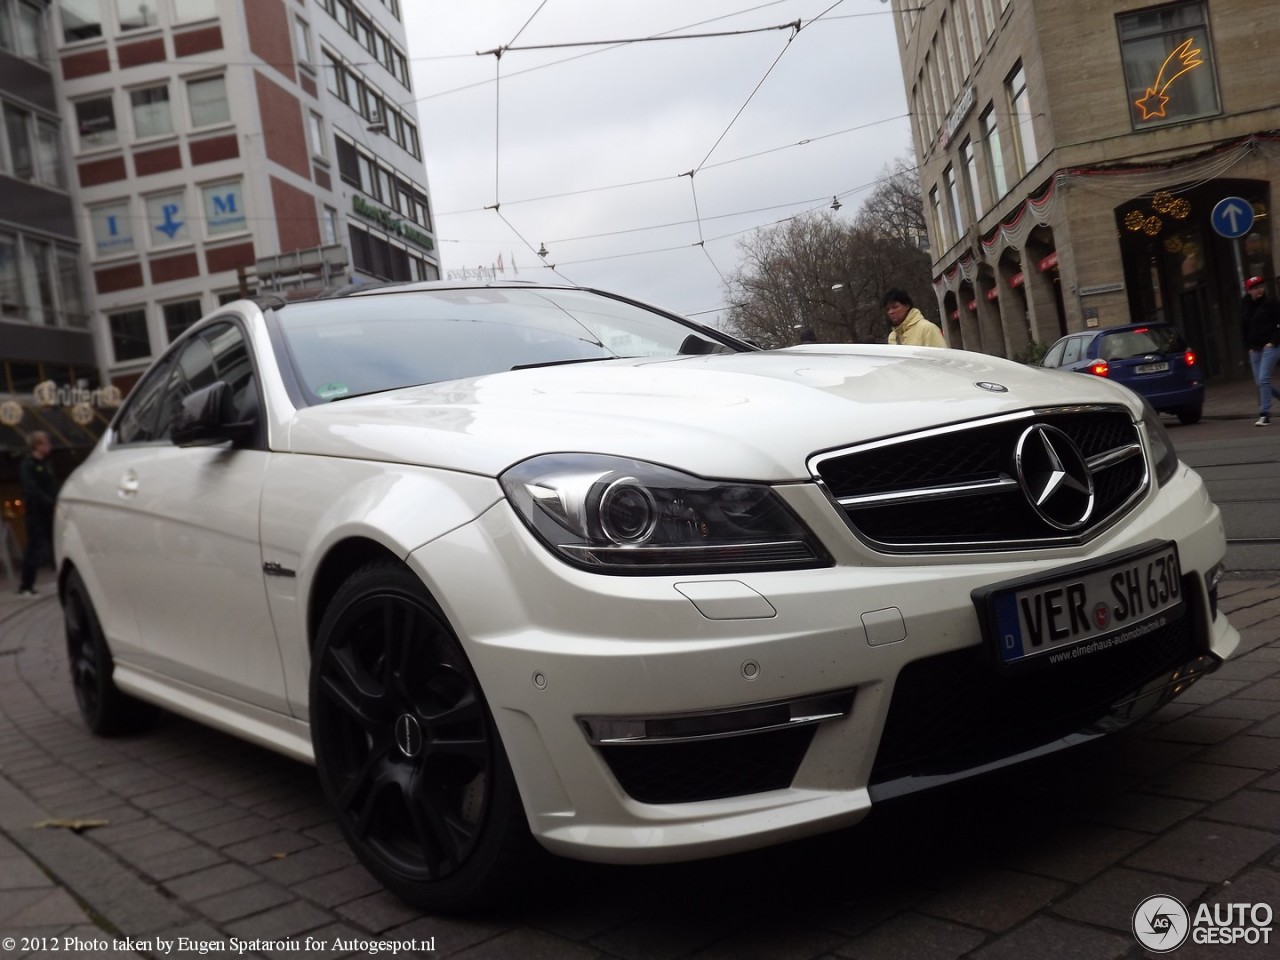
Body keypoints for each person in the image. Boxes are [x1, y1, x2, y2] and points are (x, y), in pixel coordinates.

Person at [17, 431, 57, 596]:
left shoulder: (47, 463)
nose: (49, 446)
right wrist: (48, 501)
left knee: (55, 544)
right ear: (37, 446)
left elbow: (52, 485)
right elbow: (31, 489)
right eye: (45, 443)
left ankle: (60, 577)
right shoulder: (28, 464)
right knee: (34, 547)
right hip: (36, 512)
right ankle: (26, 585)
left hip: (50, 511)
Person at [1242, 275, 1280, 426]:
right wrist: (1248, 347)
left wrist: (1273, 342)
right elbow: (1243, 328)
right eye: (1256, 288)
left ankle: (1265, 414)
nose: (1260, 290)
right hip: (1255, 349)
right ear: (1249, 290)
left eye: (1261, 287)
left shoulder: (1271, 303)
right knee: (1260, 382)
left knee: (1264, 378)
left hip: (1271, 346)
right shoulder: (1245, 306)